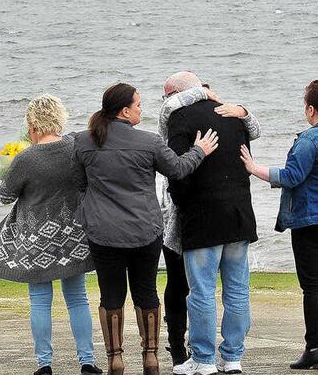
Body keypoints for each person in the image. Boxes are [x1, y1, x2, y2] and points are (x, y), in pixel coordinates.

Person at [73, 83, 219, 375]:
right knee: (146, 293)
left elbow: (79, 184)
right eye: (138, 104)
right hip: (144, 230)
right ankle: (150, 358)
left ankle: (115, 358)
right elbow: (178, 169)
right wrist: (199, 151)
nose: (142, 109)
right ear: (125, 111)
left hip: (103, 232)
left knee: (110, 296)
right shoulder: (149, 142)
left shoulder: (82, 141)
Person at [0, 94, 103, 375]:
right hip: (73, 235)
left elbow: (4, 197)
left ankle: (44, 365)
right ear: (60, 119)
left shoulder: (25, 158)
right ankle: (87, 361)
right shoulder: (75, 147)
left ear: (32, 124)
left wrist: (7, 162)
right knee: (78, 298)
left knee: (40, 301)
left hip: (36, 240)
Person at [239, 80, 318, 371]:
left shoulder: (309, 140)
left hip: (314, 223)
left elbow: (291, 176)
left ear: (310, 109)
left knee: (314, 288)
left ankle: (314, 350)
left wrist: (253, 168)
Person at [157, 73, 262, 367]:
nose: (165, 102)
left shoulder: (180, 118)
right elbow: (243, 159)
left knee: (202, 290)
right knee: (237, 288)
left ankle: (203, 359)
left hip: (202, 216)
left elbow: (178, 170)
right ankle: (233, 358)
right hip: (239, 213)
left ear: (177, 94)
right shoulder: (232, 115)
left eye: (166, 96)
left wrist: (180, 201)